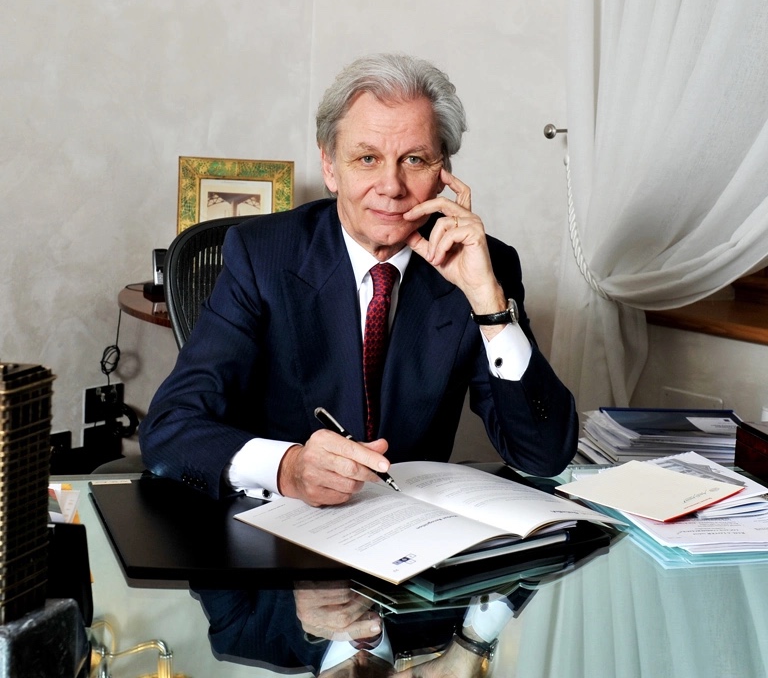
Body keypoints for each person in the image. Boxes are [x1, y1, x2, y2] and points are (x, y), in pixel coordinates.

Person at [139, 53, 578, 505]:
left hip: (412, 529)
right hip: (278, 522)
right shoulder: (261, 255)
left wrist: (489, 305)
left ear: (443, 173)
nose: (391, 186)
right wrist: (288, 469)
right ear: (330, 166)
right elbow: (170, 427)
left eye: (414, 159)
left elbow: (543, 456)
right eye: (368, 158)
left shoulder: (482, 264)